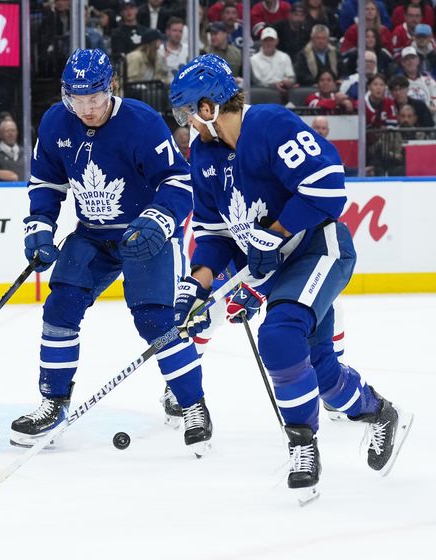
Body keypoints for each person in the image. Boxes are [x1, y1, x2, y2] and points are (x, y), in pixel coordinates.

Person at [169, 54, 413, 502]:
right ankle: (380, 413)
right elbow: (213, 233)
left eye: (187, 112)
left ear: (207, 107)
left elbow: (327, 188)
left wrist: (276, 233)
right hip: (276, 269)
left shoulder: (270, 125)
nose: (186, 123)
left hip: (319, 249)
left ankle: (302, 446)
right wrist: (196, 284)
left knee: (278, 337)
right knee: (322, 374)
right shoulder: (204, 155)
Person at [10, 49, 211, 456]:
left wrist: (157, 220)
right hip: (93, 235)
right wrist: (40, 226)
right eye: (77, 100)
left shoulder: (142, 122)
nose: (86, 109)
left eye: (95, 99)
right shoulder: (54, 122)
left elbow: (178, 181)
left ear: (111, 87)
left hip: (146, 235)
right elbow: (47, 183)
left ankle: (192, 404)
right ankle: (54, 402)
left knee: (157, 320)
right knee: (60, 307)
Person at [250, 27, 297, 101]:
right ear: (261, 42)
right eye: (266, 40)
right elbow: (257, 82)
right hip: (263, 95)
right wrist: (273, 85)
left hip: (284, 94)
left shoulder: (285, 57)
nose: (268, 43)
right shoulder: (253, 59)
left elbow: (291, 77)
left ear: (277, 41)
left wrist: (288, 82)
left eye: (271, 40)